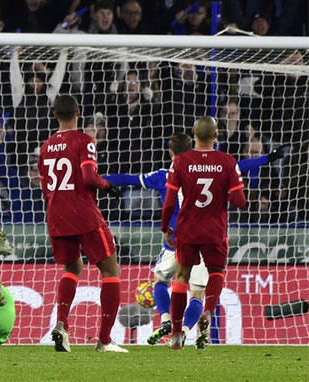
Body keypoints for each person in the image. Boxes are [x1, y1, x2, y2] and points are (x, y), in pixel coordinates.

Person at [104, 132, 285, 345]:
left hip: (174, 241)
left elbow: (128, 179)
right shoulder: (212, 170)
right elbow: (240, 166)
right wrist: (268, 158)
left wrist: (99, 180)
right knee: (197, 294)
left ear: (170, 152)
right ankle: (185, 330)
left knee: (160, 281)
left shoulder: (163, 176)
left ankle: (165, 319)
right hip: (202, 238)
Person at [37, 95, 126, 353]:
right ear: (78, 112)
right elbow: (88, 176)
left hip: (56, 215)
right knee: (110, 270)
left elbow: (45, 188)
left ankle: (62, 325)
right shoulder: (85, 140)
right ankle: (104, 340)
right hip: (83, 214)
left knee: (73, 267)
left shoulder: (45, 147)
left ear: (55, 114)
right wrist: (107, 185)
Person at [161, 116, 247, 350]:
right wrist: (224, 192)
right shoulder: (227, 161)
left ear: (193, 133)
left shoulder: (181, 161)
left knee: (181, 278)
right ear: (216, 135)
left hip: (187, 229)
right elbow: (240, 201)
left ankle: (176, 334)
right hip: (215, 230)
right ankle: (208, 311)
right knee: (216, 272)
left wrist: (165, 227)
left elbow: (169, 201)